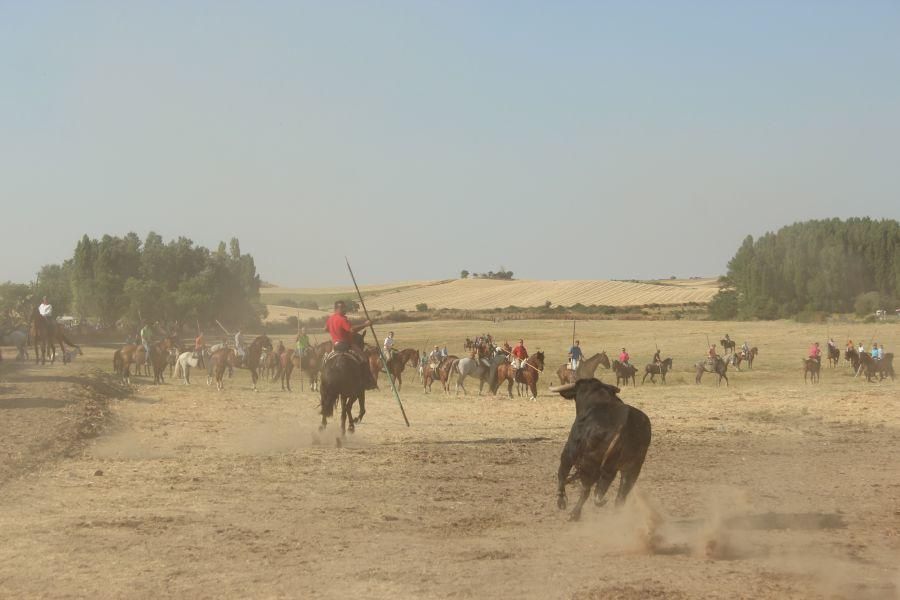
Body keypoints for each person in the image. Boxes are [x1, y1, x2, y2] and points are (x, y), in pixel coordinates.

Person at [325, 300, 376, 389]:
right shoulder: (342, 319)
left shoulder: (330, 318)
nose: (345, 309)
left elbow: (325, 329)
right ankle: (367, 381)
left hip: (335, 345)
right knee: (364, 358)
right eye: (344, 307)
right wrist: (365, 324)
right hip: (346, 344)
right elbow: (352, 330)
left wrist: (336, 332)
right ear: (338, 308)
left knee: (326, 360)